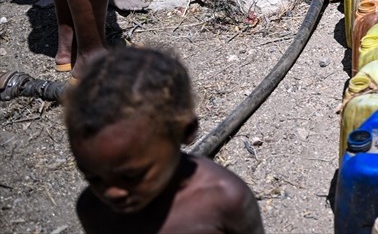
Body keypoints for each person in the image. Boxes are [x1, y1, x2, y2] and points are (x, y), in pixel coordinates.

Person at [66, 48, 263, 233]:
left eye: (131, 176)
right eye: (93, 178)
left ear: (186, 131)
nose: (112, 193)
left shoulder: (224, 199)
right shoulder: (93, 210)